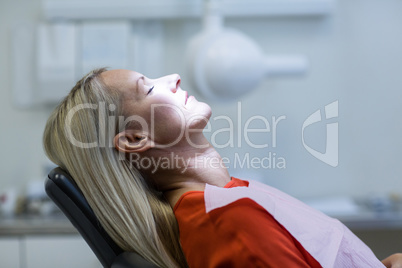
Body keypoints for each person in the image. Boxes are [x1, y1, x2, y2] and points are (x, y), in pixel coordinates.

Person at [43, 68, 401, 268]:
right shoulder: (228, 222)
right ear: (135, 139)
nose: (175, 77)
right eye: (149, 87)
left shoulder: (227, 201)